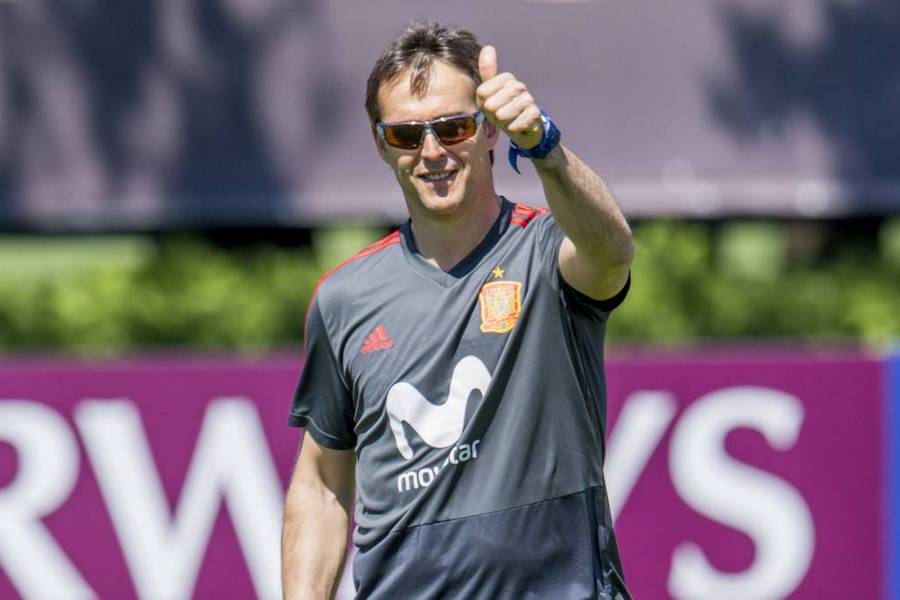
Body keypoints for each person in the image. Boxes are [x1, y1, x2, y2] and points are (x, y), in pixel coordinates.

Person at [281, 22, 634, 600]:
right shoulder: (344, 298)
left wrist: (543, 146)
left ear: (489, 128)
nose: (431, 152)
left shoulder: (548, 252)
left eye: (453, 127)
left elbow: (612, 250)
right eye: (405, 135)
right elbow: (321, 484)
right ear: (381, 144)